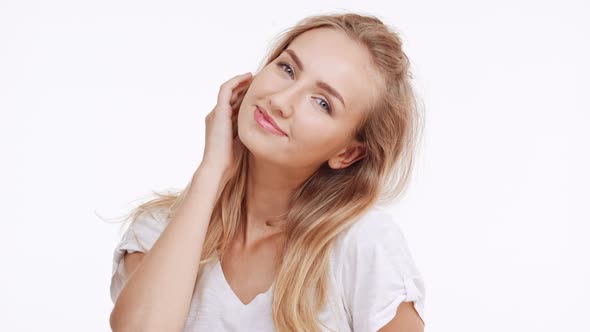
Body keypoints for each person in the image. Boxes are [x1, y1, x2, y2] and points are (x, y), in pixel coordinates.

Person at [109, 12, 425, 332]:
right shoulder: (159, 229)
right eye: (287, 69)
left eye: (322, 102)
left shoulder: (363, 245)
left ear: (348, 153)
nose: (280, 101)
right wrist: (211, 171)